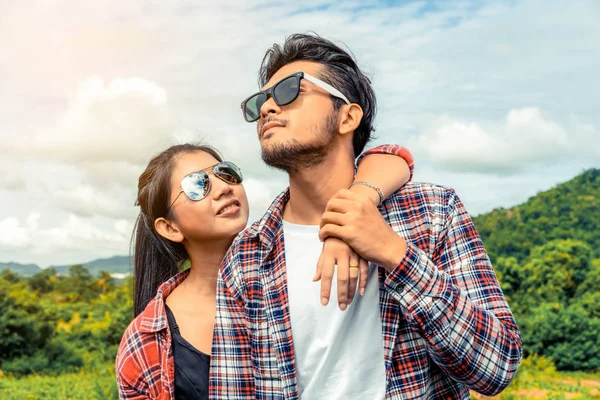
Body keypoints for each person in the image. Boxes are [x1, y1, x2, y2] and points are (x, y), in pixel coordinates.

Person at [210, 33, 523, 399]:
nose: (267, 109)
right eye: (261, 100)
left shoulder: (432, 212)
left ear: (348, 116)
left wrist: (395, 254)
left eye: (289, 91)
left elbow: (498, 367)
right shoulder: (247, 257)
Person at [115, 142, 414, 399]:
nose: (222, 188)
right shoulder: (146, 341)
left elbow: (392, 156)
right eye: (197, 186)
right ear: (169, 227)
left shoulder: (299, 260)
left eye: (226, 173)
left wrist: (350, 215)